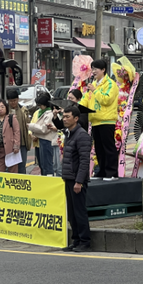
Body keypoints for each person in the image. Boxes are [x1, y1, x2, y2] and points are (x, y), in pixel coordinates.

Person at [61, 105, 92, 252]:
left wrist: (79, 181)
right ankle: (76, 239)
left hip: (77, 180)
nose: (64, 119)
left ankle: (85, 241)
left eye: (67, 117)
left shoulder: (82, 135)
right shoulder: (69, 134)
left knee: (79, 211)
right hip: (69, 178)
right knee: (72, 212)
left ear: (76, 118)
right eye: (64, 116)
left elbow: (85, 161)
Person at [81, 59, 119, 178]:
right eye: (92, 69)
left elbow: (106, 100)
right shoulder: (94, 84)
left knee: (108, 148)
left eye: (95, 69)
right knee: (99, 149)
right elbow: (87, 99)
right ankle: (102, 171)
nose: (93, 71)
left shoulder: (110, 84)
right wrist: (76, 106)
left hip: (107, 120)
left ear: (103, 70)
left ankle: (112, 172)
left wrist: (94, 90)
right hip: (95, 121)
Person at [0, 99, 20, 173]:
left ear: (6, 108)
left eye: (2, 107)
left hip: (11, 149)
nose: (0, 109)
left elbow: (17, 132)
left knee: (12, 172)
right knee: (0, 172)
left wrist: (16, 145)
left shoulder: (12, 118)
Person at [27, 94, 55, 176]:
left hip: (46, 140)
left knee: (47, 164)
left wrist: (31, 127)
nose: (39, 107)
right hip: (39, 141)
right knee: (41, 164)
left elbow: (44, 129)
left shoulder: (49, 114)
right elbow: (33, 122)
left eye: (40, 105)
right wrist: (31, 134)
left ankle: (48, 181)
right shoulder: (38, 112)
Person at [7, 89, 32, 174]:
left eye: (14, 100)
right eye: (11, 101)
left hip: (22, 143)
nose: (13, 103)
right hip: (9, 144)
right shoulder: (5, 111)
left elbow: (28, 123)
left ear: (18, 99)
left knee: (22, 167)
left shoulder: (23, 110)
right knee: (10, 167)